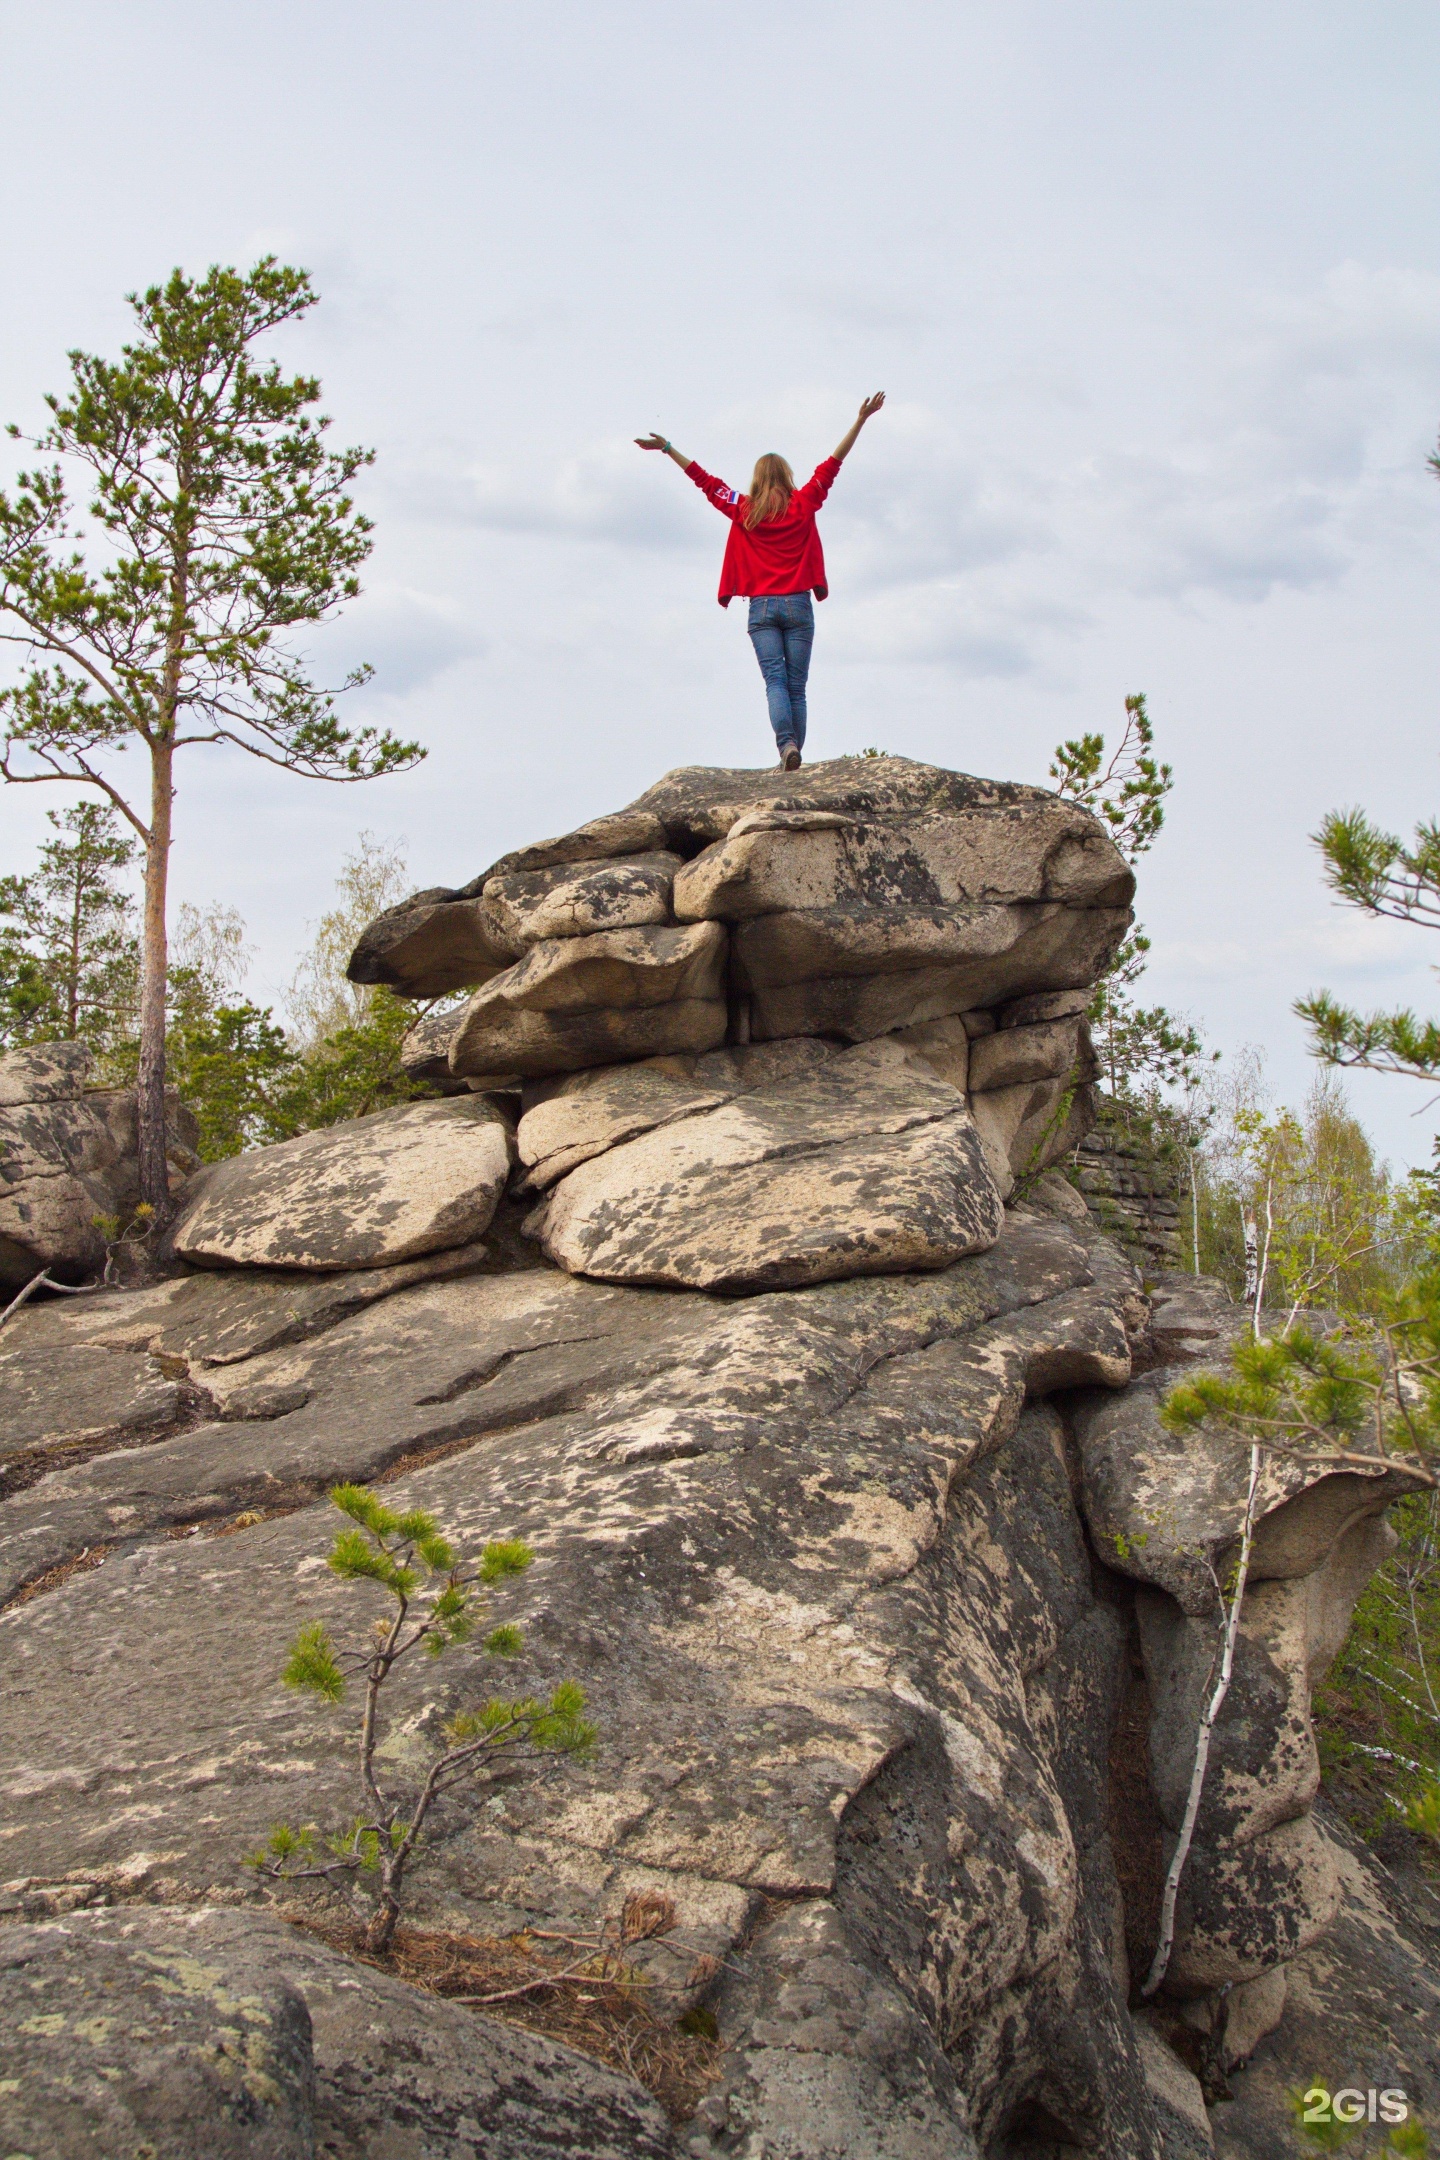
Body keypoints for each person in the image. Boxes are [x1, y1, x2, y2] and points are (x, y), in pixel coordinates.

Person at [636, 394, 885, 769]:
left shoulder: (744, 509)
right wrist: (860, 420)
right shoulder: (804, 502)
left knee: (775, 681)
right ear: (787, 477)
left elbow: (706, 482)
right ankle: (793, 754)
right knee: (796, 686)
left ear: (756, 479)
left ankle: (786, 747)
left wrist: (668, 449)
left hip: (762, 607)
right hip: (798, 605)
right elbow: (835, 462)